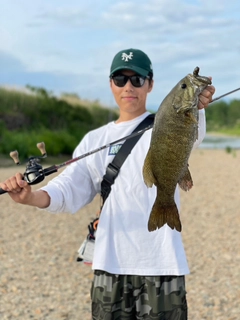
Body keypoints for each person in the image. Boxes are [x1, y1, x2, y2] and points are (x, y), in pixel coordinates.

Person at [0, 48, 215, 319]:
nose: (128, 86)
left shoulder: (167, 119)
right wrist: (30, 197)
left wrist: (198, 104)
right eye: (120, 79)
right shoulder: (94, 139)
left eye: (137, 79)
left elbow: (192, 134)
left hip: (163, 263)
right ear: (110, 84)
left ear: (150, 84)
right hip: (109, 265)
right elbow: (68, 188)